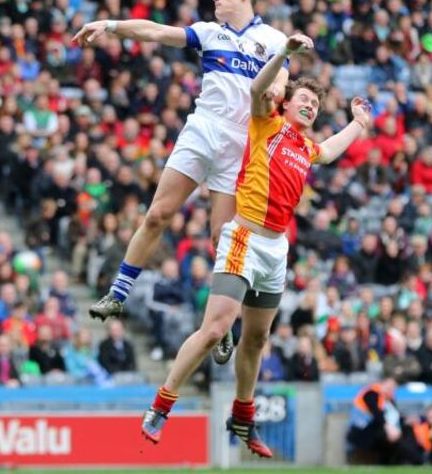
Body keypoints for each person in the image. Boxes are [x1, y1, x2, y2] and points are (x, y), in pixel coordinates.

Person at [138, 34, 371, 458]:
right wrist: (284, 54)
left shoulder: (306, 147)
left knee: (257, 339)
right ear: (285, 103)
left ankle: (242, 416)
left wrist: (358, 123)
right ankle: (160, 406)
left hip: (275, 251)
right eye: (304, 99)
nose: (310, 106)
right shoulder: (267, 123)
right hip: (243, 238)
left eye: (315, 105)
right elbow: (256, 89)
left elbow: (332, 151)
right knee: (214, 330)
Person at [76, 0, 288, 366]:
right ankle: (118, 294)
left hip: (239, 145)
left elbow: (283, 80)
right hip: (204, 130)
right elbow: (155, 32)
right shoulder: (209, 32)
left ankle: (221, 325)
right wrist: (110, 25)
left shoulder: (274, 41)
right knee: (158, 214)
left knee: (220, 240)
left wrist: (278, 90)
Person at [347, 378, 402, 465]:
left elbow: (395, 416)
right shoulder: (371, 393)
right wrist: (389, 427)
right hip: (361, 430)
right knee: (384, 435)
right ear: (382, 384)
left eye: (393, 388)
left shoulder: (389, 399)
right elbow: (377, 413)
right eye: (389, 387)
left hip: (379, 429)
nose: (390, 390)